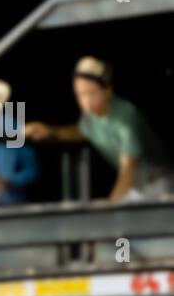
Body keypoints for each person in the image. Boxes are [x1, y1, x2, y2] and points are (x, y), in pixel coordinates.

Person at [24, 57, 174, 201]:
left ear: (108, 90)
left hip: (160, 185)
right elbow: (80, 132)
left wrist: (109, 211)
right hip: (137, 188)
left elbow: (127, 170)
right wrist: (50, 131)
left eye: (92, 93)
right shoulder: (89, 117)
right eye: (80, 94)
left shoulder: (126, 116)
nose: (86, 101)